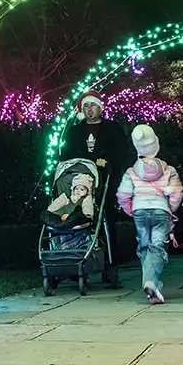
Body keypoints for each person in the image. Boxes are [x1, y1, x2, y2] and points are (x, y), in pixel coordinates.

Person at [59, 92, 136, 260]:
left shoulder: (113, 128)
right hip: (80, 180)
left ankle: (111, 258)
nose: (89, 110)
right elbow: (66, 154)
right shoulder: (75, 131)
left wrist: (109, 163)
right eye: (85, 106)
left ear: (100, 107)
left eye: (92, 105)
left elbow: (122, 152)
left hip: (105, 179)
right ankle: (74, 253)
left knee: (106, 215)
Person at [117, 124, 183, 305]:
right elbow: (177, 192)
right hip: (161, 211)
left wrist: (131, 209)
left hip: (140, 211)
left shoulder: (131, 172)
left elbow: (123, 195)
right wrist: (170, 207)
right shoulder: (168, 169)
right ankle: (152, 282)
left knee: (145, 247)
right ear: (156, 145)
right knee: (157, 246)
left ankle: (151, 282)